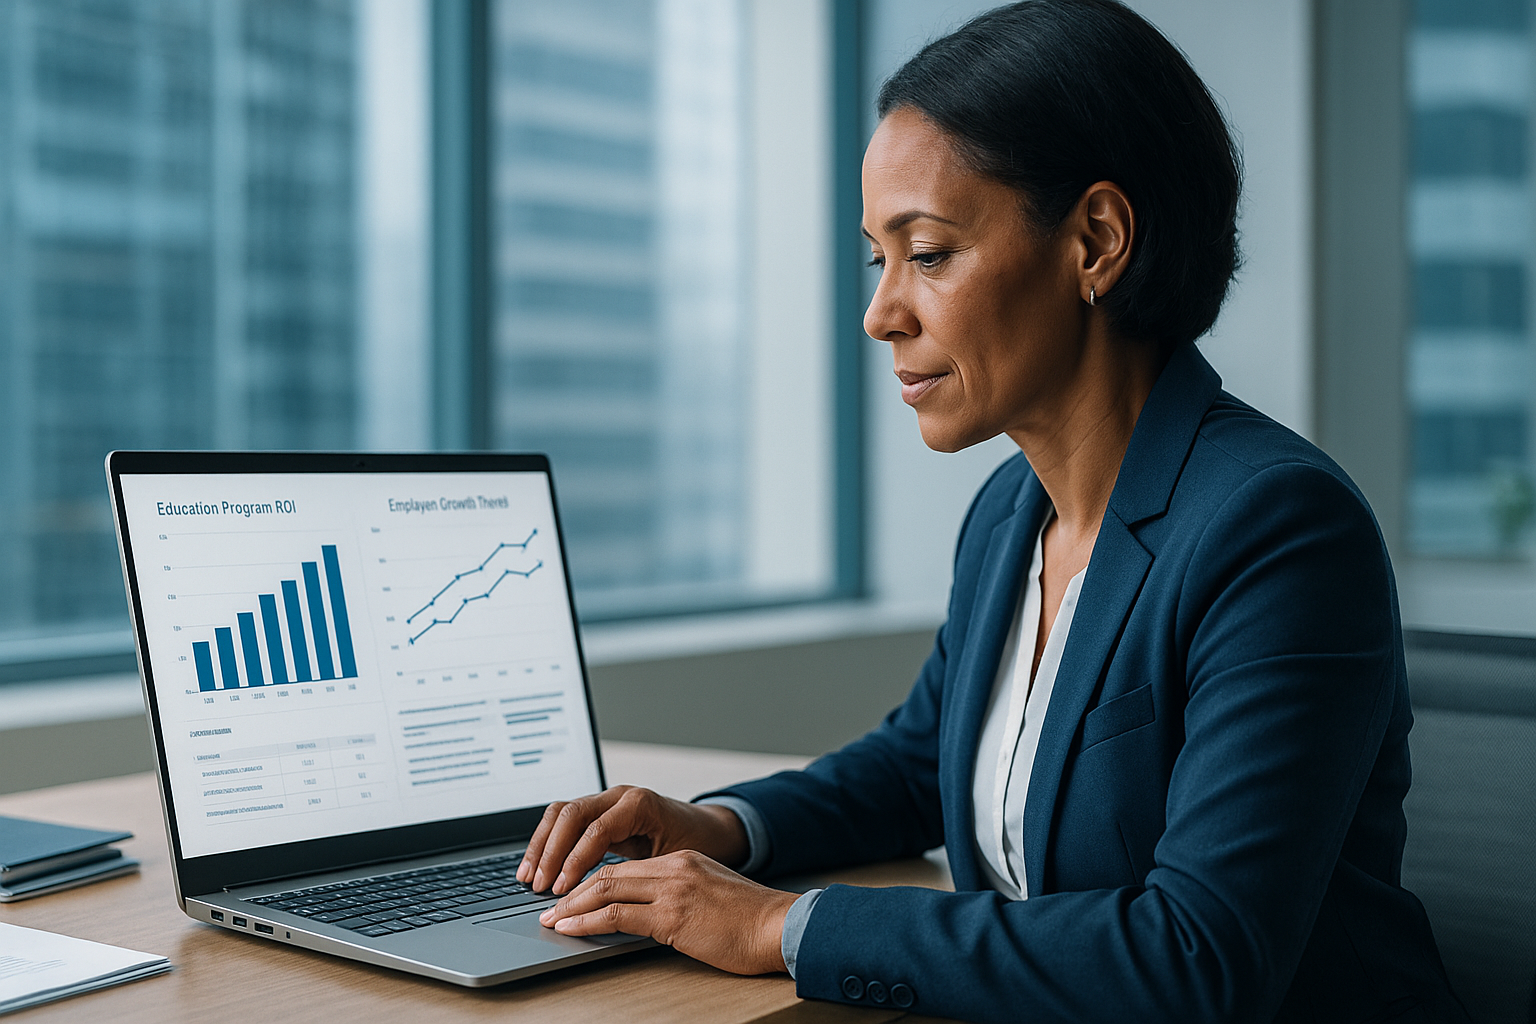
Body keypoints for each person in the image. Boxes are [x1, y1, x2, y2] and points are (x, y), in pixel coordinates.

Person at [518, 2, 1468, 1020]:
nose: (882, 312)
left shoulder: (1277, 530)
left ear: (1097, 241)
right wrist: (725, 830)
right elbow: (924, 760)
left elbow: (1199, 955)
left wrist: (774, 925)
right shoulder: (1012, 513)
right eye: (876, 259)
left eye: (926, 253)